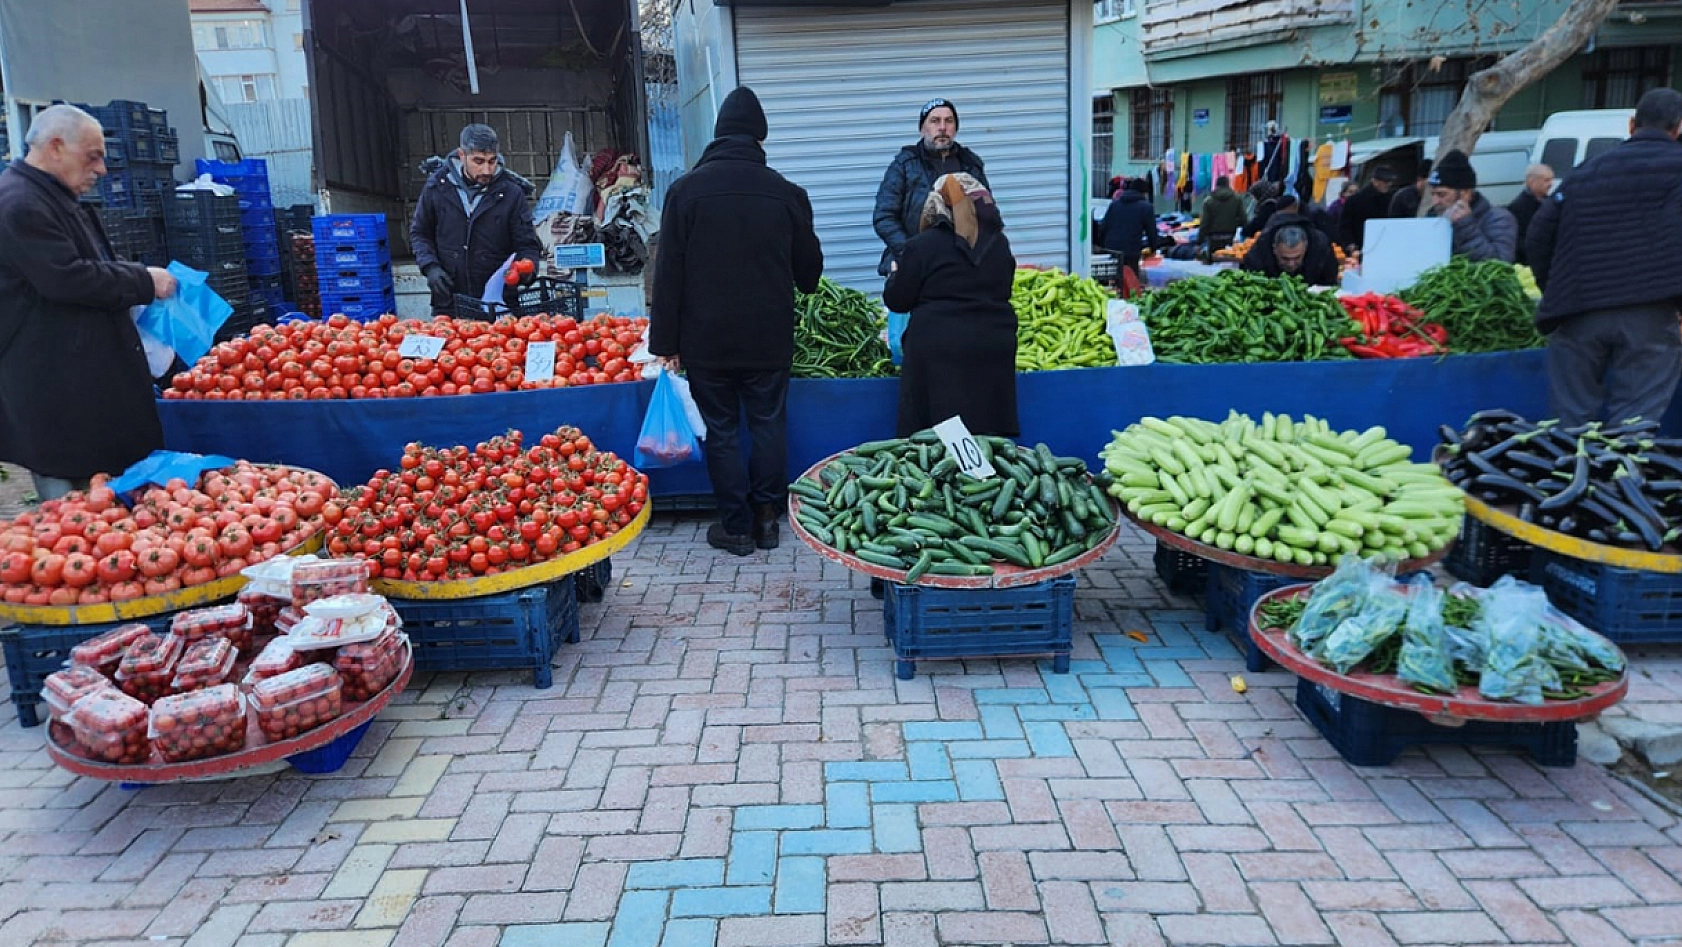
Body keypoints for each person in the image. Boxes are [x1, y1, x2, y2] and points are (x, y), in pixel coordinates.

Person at [648, 87, 823, 556]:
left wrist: (664, 342)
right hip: (768, 337)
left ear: (718, 134)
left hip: (706, 340)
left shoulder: (685, 192)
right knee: (768, 423)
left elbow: (668, 275)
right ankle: (767, 518)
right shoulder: (787, 194)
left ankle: (736, 526)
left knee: (721, 429)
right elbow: (809, 276)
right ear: (760, 138)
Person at [0, 104, 176, 501]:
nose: (102, 169)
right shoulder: (21, 204)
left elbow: (85, 265)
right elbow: (67, 277)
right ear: (56, 147)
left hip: (76, 385)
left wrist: (133, 277)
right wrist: (143, 281)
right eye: (92, 156)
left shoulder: (45, 196)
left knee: (99, 499)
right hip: (58, 395)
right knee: (76, 509)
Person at [1528, 87, 1682, 427]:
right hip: (1650, 314)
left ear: (1632, 125)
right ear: (1678, 128)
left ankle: (1572, 461)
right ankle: (1623, 461)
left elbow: (1538, 234)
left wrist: (1555, 288)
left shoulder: (1585, 170)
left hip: (1578, 310)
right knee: (1633, 425)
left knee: (1570, 426)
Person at [884, 174, 1017, 440]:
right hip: (993, 345)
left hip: (939, 350)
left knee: (936, 438)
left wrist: (895, 275)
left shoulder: (922, 245)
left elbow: (898, 300)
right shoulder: (999, 244)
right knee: (985, 434)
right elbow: (1004, 289)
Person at [410, 123, 543, 313]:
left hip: (498, 305)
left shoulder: (511, 193)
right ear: (461, 155)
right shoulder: (437, 187)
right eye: (478, 161)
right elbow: (420, 233)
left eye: (492, 161)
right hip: (449, 300)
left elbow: (527, 244)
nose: (487, 170)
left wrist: (527, 271)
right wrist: (430, 267)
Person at [873, 98, 987, 278]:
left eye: (949, 121)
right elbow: (884, 217)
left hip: (960, 264)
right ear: (922, 129)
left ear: (955, 128)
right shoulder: (905, 165)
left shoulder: (970, 164)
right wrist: (910, 253)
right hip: (912, 261)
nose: (942, 127)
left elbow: (987, 214)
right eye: (934, 121)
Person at [1426, 150, 1517, 262]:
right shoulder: (1432, 217)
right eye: (1433, 194)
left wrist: (1464, 225)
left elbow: (1500, 262)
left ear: (1465, 193)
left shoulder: (1498, 218)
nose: (1435, 201)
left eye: (1442, 194)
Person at [1240, 223, 1340, 287]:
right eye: (1285, 258)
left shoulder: (1321, 248)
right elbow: (1250, 284)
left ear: (1305, 246)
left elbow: (1329, 282)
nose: (1291, 264)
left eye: (1297, 257)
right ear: (1274, 249)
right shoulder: (1258, 254)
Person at [1098, 177, 1159, 276]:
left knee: (1113, 277)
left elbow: (1103, 227)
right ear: (1144, 192)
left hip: (1111, 249)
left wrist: (1103, 246)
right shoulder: (1146, 207)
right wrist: (1153, 248)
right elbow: (1152, 233)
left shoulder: (1114, 204)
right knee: (1130, 279)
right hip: (1131, 250)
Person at [1338, 166, 1397, 251]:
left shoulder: (1391, 198)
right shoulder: (1355, 200)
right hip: (1361, 246)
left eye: (1389, 182)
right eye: (1385, 181)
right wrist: (1350, 243)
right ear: (1375, 181)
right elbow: (1345, 225)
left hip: (1386, 244)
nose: (1388, 184)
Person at [1507, 163, 1554, 265]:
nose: (1551, 184)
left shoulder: (1550, 202)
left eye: (1551, 180)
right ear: (1531, 182)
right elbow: (1517, 239)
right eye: (1546, 180)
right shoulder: (1519, 207)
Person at [1199, 175, 1245, 251]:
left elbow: (1204, 223)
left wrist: (1199, 242)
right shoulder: (1237, 199)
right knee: (1229, 257)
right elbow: (1244, 219)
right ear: (1228, 185)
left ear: (1216, 185)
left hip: (1213, 239)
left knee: (1215, 257)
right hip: (1231, 238)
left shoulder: (1208, 201)